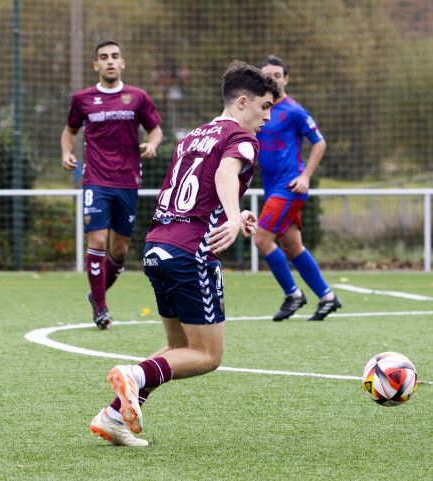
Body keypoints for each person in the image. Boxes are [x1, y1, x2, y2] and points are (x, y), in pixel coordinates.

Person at [88, 61, 278, 447]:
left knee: (179, 349)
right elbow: (226, 174)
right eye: (265, 107)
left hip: (158, 246)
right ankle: (134, 376)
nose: (268, 117)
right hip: (193, 252)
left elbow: (199, 187)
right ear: (243, 102)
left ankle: (111, 416)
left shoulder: (193, 136)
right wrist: (230, 217)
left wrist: (234, 212)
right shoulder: (241, 138)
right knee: (208, 355)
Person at [62, 40, 163, 329]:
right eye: (103, 57)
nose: (109, 61)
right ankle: (101, 308)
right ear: (96, 65)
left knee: (119, 251)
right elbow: (69, 131)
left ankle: (96, 294)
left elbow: (155, 129)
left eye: (114, 56)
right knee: (97, 241)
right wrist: (67, 152)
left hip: (128, 181)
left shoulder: (138, 97)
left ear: (122, 63)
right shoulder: (83, 98)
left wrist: (153, 144)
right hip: (95, 180)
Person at [252, 55, 341, 321]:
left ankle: (293, 294)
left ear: (286, 79)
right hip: (272, 188)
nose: (272, 79)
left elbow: (319, 142)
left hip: (289, 187)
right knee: (292, 246)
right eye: (267, 76)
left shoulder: (294, 111)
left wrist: (306, 176)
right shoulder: (259, 110)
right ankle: (327, 297)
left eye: (277, 75)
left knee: (261, 239)